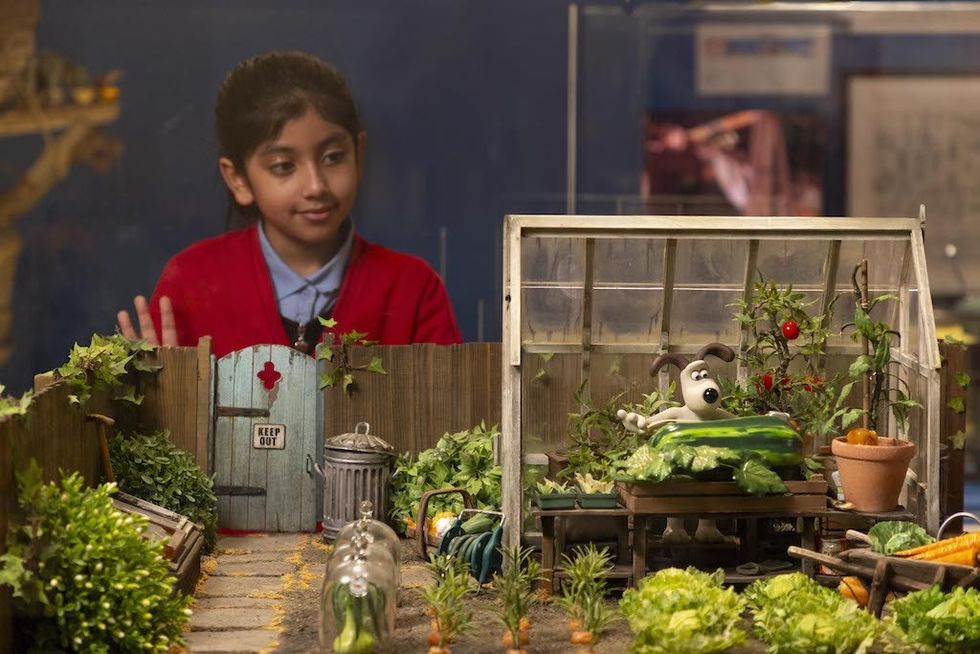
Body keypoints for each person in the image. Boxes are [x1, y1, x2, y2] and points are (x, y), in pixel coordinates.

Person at [117, 51, 461, 358]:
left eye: (333, 157)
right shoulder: (190, 282)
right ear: (237, 179)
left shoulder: (414, 290)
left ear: (359, 153)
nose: (316, 186)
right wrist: (160, 398)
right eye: (284, 166)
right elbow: (160, 419)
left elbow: (450, 417)